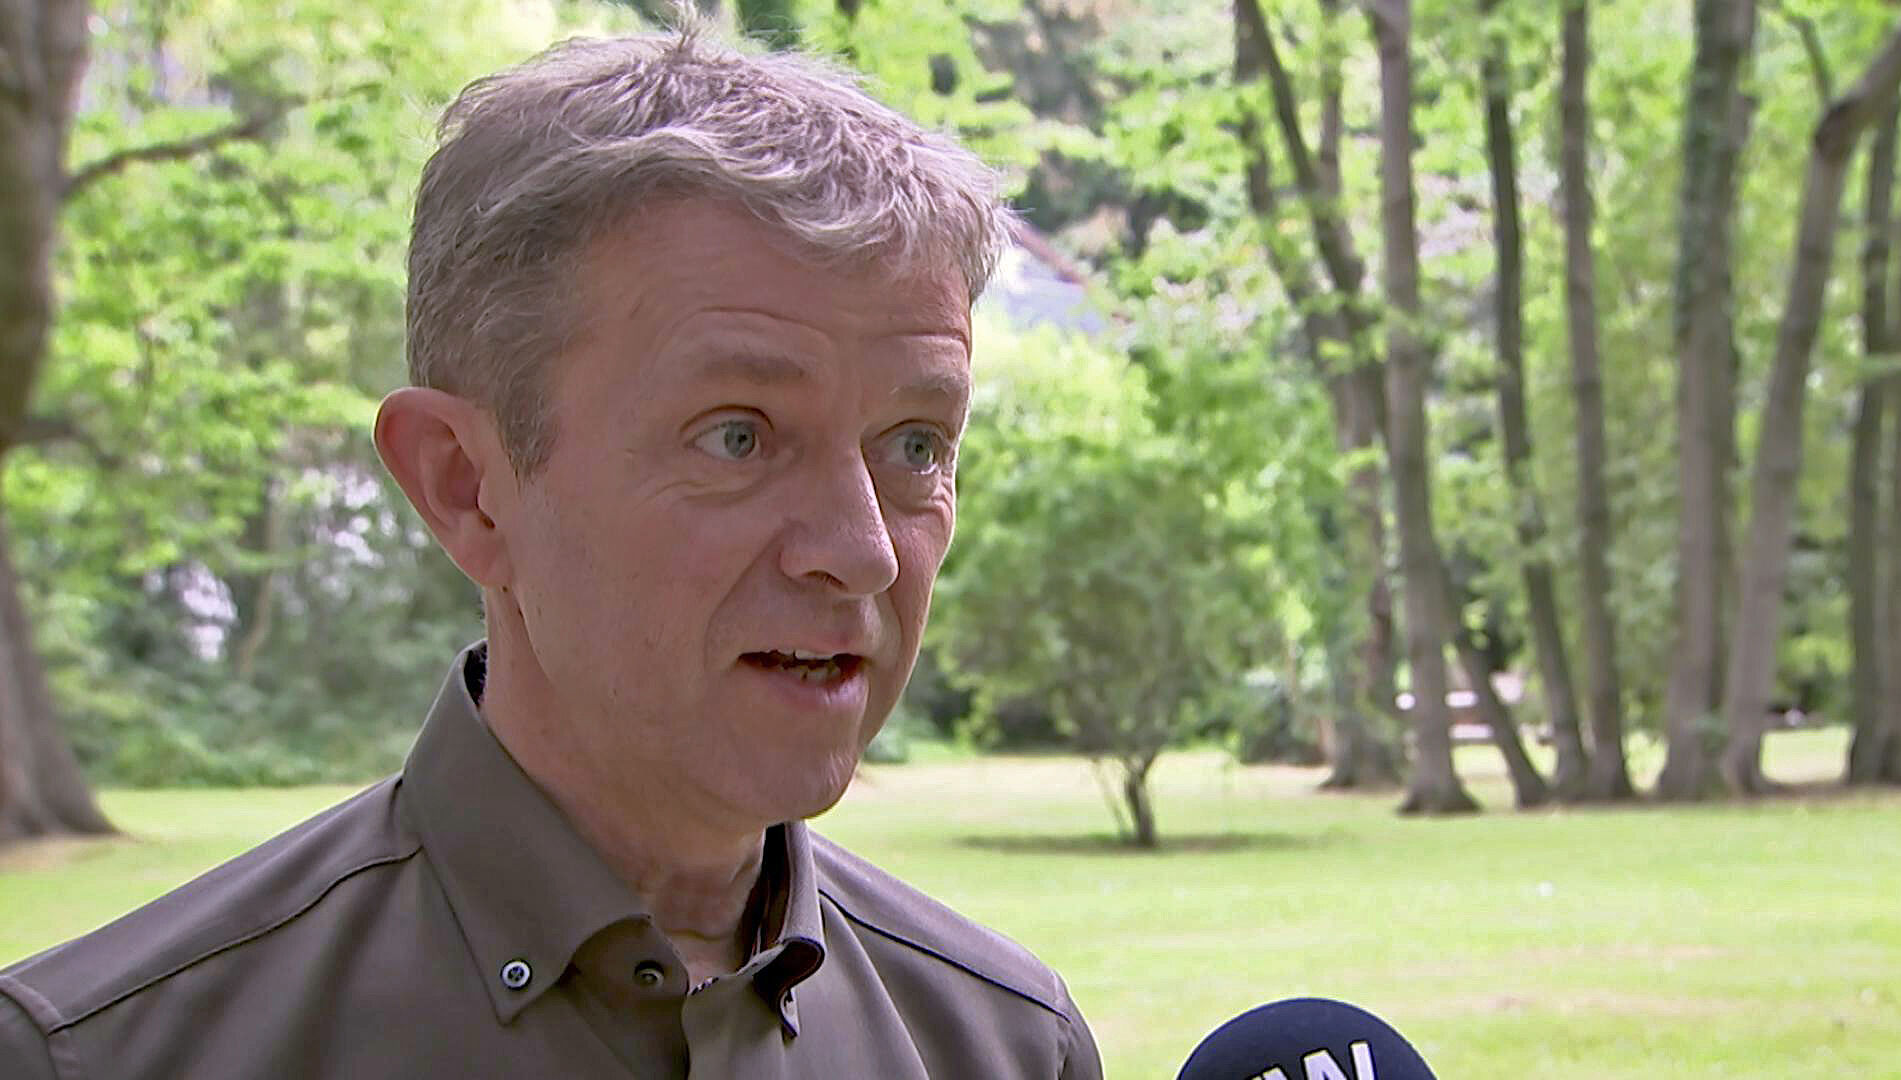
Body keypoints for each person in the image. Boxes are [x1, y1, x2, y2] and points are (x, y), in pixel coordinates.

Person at [0, 29, 1102, 1079]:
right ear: (466, 488)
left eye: (915, 445)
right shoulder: (103, 1058)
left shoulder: (1008, 1049)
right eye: (739, 436)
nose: (862, 553)